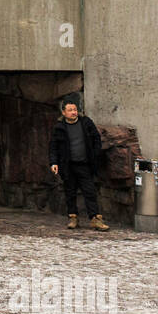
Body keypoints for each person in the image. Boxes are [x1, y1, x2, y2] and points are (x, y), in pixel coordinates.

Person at [48, 99, 109, 231]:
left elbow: (96, 139)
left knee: (90, 191)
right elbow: (53, 146)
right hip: (68, 165)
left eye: (75, 110)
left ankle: (95, 219)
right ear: (63, 112)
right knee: (70, 192)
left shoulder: (86, 123)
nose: (73, 112)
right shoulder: (59, 127)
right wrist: (54, 162)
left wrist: (95, 154)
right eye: (70, 110)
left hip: (84, 164)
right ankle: (73, 218)